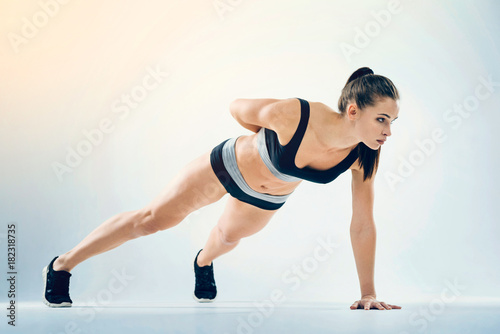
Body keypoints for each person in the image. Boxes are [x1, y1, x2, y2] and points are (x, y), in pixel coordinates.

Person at [43, 67, 402, 310]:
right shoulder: (297, 114)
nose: (388, 131)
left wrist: (368, 293)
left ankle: (202, 262)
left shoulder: (363, 156)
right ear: (353, 111)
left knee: (226, 239)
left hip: (267, 196)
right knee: (152, 220)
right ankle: (62, 266)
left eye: (392, 122)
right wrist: (262, 143)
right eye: (381, 119)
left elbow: (362, 224)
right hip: (227, 165)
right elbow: (237, 108)